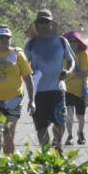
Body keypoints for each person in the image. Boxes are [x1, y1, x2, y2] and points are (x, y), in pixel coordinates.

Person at [0, 27, 34, 156]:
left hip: (13, 99)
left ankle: (8, 163)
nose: (4, 40)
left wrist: (32, 100)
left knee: (8, 133)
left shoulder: (18, 54)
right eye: (1, 38)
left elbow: (28, 77)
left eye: (7, 38)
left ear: (11, 39)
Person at [25, 10, 75, 150]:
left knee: (60, 122)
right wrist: (30, 71)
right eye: (40, 22)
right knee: (41, 126)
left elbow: (71, 61)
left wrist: (68, 71)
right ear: (36, 24)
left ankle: (58, 146)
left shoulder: (61, 41)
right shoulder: (31, 44)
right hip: (38, 92)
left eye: (46, 21)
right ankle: (45, 153)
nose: (43, 24)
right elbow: (23, 64)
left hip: (57, 89)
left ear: (51, 23)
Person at [62, 31, 88, 146]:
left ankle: (80, 133)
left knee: (80, 116)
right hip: (67, 90)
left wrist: (84, 74)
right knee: (69, 114)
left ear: (78, 43)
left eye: (75, 41)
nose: (72, 44)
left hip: (81, 90)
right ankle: (70, 136)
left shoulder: (84, 54)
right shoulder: (63, 56)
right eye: (70, 41)